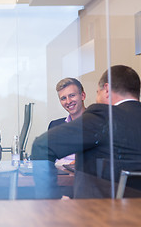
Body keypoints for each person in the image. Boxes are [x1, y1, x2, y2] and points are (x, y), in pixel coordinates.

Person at [32, 65, 141, 199]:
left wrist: (52, 201)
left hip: (99, 213)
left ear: (106, 89)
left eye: (97, 92)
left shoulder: (103, 116)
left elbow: (42, 145)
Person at [48, 78, 86, 166]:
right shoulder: (55, 126)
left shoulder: (97, 124)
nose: (68, 101)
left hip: (82, 176)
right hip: (58, 176)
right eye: (63, 98)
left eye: (72, 95)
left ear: (83, 96)